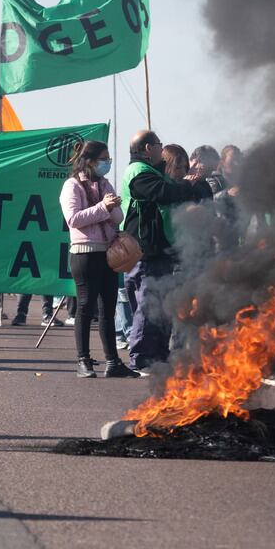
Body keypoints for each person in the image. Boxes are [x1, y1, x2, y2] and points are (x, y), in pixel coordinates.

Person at [121, 131, 215, 371]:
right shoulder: (139, 173)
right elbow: (164, 193)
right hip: (144, 251)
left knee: (162, 308)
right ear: (147, 148)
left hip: (160, 251)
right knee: (146, 307)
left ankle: (160, 357)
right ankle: (140, 359)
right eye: (158, 145)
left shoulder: (153, 172)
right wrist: (188, 182)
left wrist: (190, 182)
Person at [60, 140, 141, 378]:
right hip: (84, 253)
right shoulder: (72, 186)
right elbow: (74, 219)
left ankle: (113, 362)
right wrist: (102, 208)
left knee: (108, 307)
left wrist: (112, 207)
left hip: (107, 253)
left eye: (109, 160)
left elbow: (117, 217)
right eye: (104, 159)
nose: (107, 164)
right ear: (91, 161)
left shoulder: (104, 183)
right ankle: (83, 360)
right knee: (86, 307)